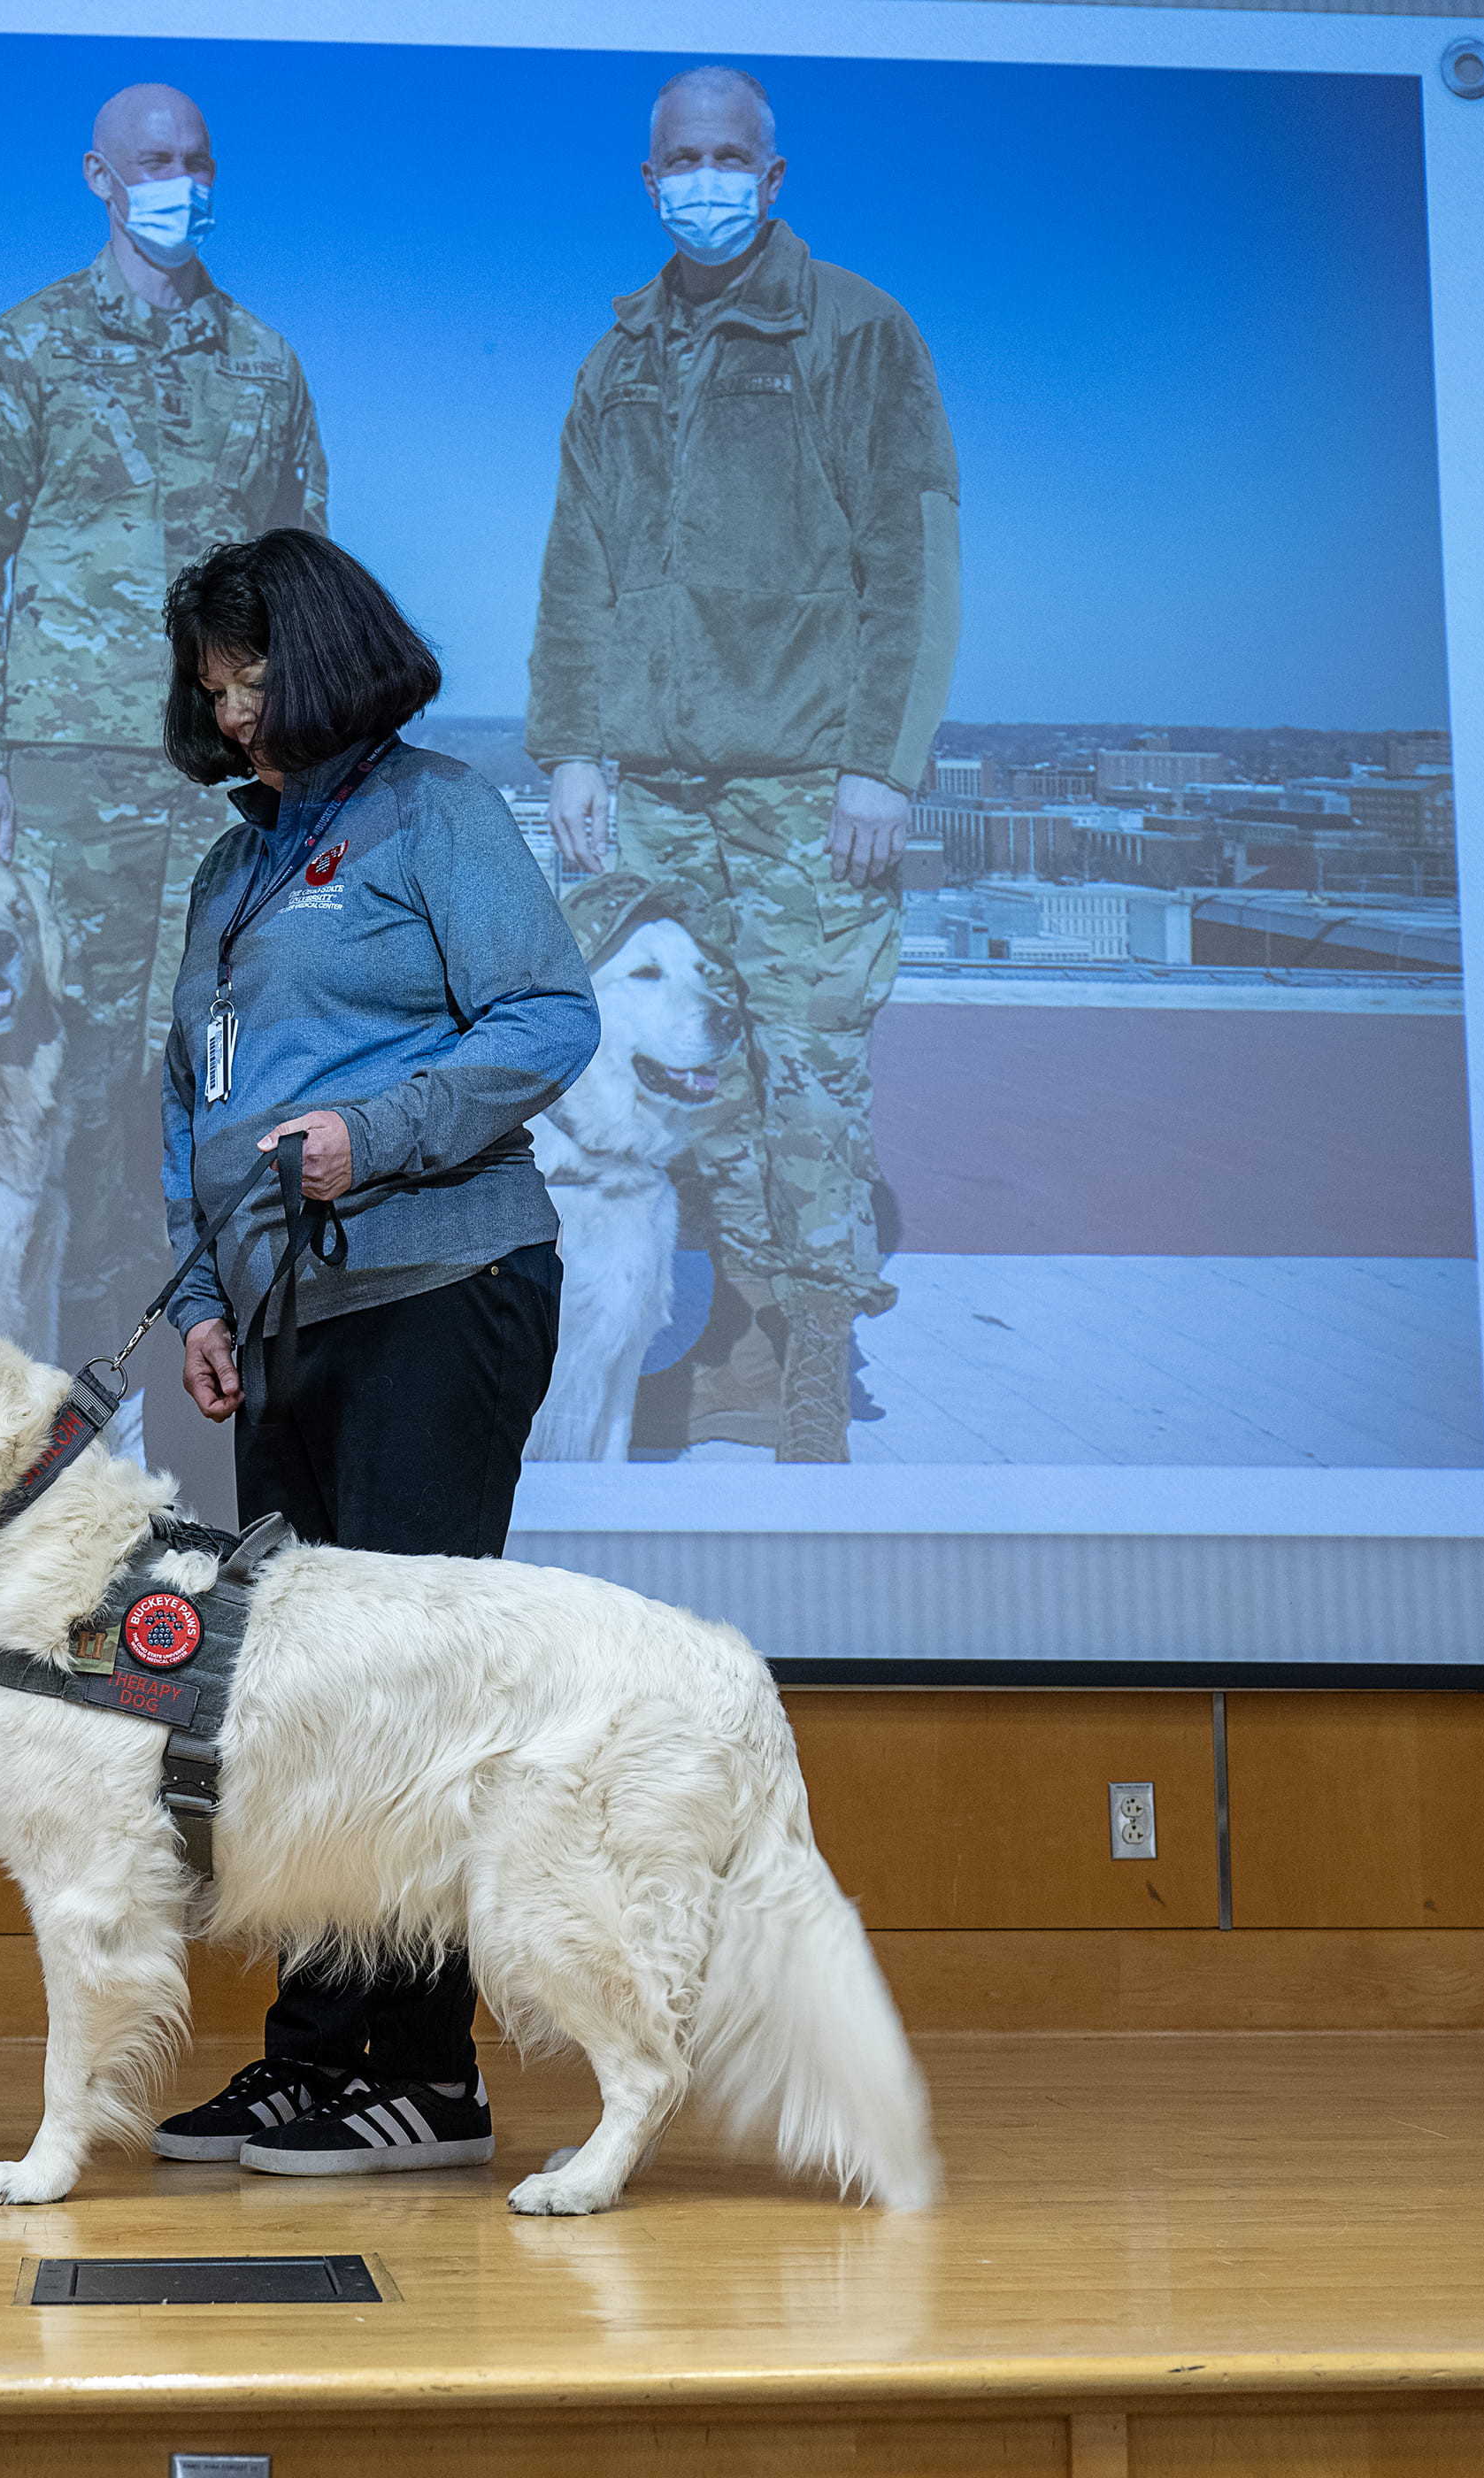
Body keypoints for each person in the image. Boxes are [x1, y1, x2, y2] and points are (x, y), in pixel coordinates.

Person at [141, 531, 596, 2177]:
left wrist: (379, 1135)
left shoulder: (439, 812)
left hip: (438, 1284)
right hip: (284, 1319)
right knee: (300, 1705)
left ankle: (431, 2079)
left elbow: (549, 1017)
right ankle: (314, 2059)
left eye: (255, 675)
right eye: (214, 687)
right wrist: (199, 1294)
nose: (237, 711)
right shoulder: (232, 866)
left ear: (326, 656)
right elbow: (193, 1102)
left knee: (405, 1698)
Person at [527, 64, 961, 1462]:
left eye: (731, 156)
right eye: (680, 159)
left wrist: (882, 766)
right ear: (649, 179)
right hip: (654, 782)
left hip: (805, 785)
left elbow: (911, 561)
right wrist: (571, 746)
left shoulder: (859, 335)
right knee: (690, 1076)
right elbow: (576, 569)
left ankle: (811, 1373)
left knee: (812, 1077)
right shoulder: (621, 359)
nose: (704, 177)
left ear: (773, 178)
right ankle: (730, 1343)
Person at [0, 80, 329, 1406]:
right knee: (68, 1060)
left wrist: (301, 746)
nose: (177, 179)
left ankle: (209, 1335)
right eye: (152, 160)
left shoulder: (264, 364)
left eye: (196, 159)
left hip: (221, 768)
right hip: (68, 770)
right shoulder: (25, 351)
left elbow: (304, 569)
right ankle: (66, 1355)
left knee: (216, 1047)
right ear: (99, 175)